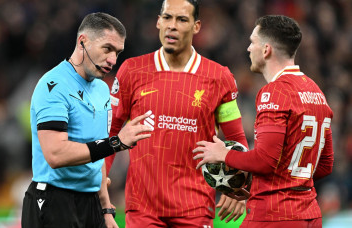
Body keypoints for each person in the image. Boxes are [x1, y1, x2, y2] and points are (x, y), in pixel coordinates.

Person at [106, 0, 249, 227]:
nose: (172, 25)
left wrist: (239, 186)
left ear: (196, 26)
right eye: (167, 17)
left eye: (182, 19)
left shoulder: (219, 77)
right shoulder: (132, 71)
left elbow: (237, 140)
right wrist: (99, 190)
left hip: (196, 207)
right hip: (143, 208)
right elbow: (110, 134)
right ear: (158, 21)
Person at [193, 15, 334, 228]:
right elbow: (324, 166)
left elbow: (265, 161)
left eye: (252, 42)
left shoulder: (275, 92)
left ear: (266, 49)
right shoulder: (317, 92)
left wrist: (224, 154)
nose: (249, 48)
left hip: (273, 215)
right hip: (310, 215)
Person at [21, 12, 153, 228]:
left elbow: (97, 155)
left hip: (91, 204)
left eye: (118, 52)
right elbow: (55, 153)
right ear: (83, 41)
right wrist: (116, 143)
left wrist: (107, 209)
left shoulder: (102, 89)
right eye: (107, 49)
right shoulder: (53, 85)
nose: (113, 60)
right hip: (54, 201)